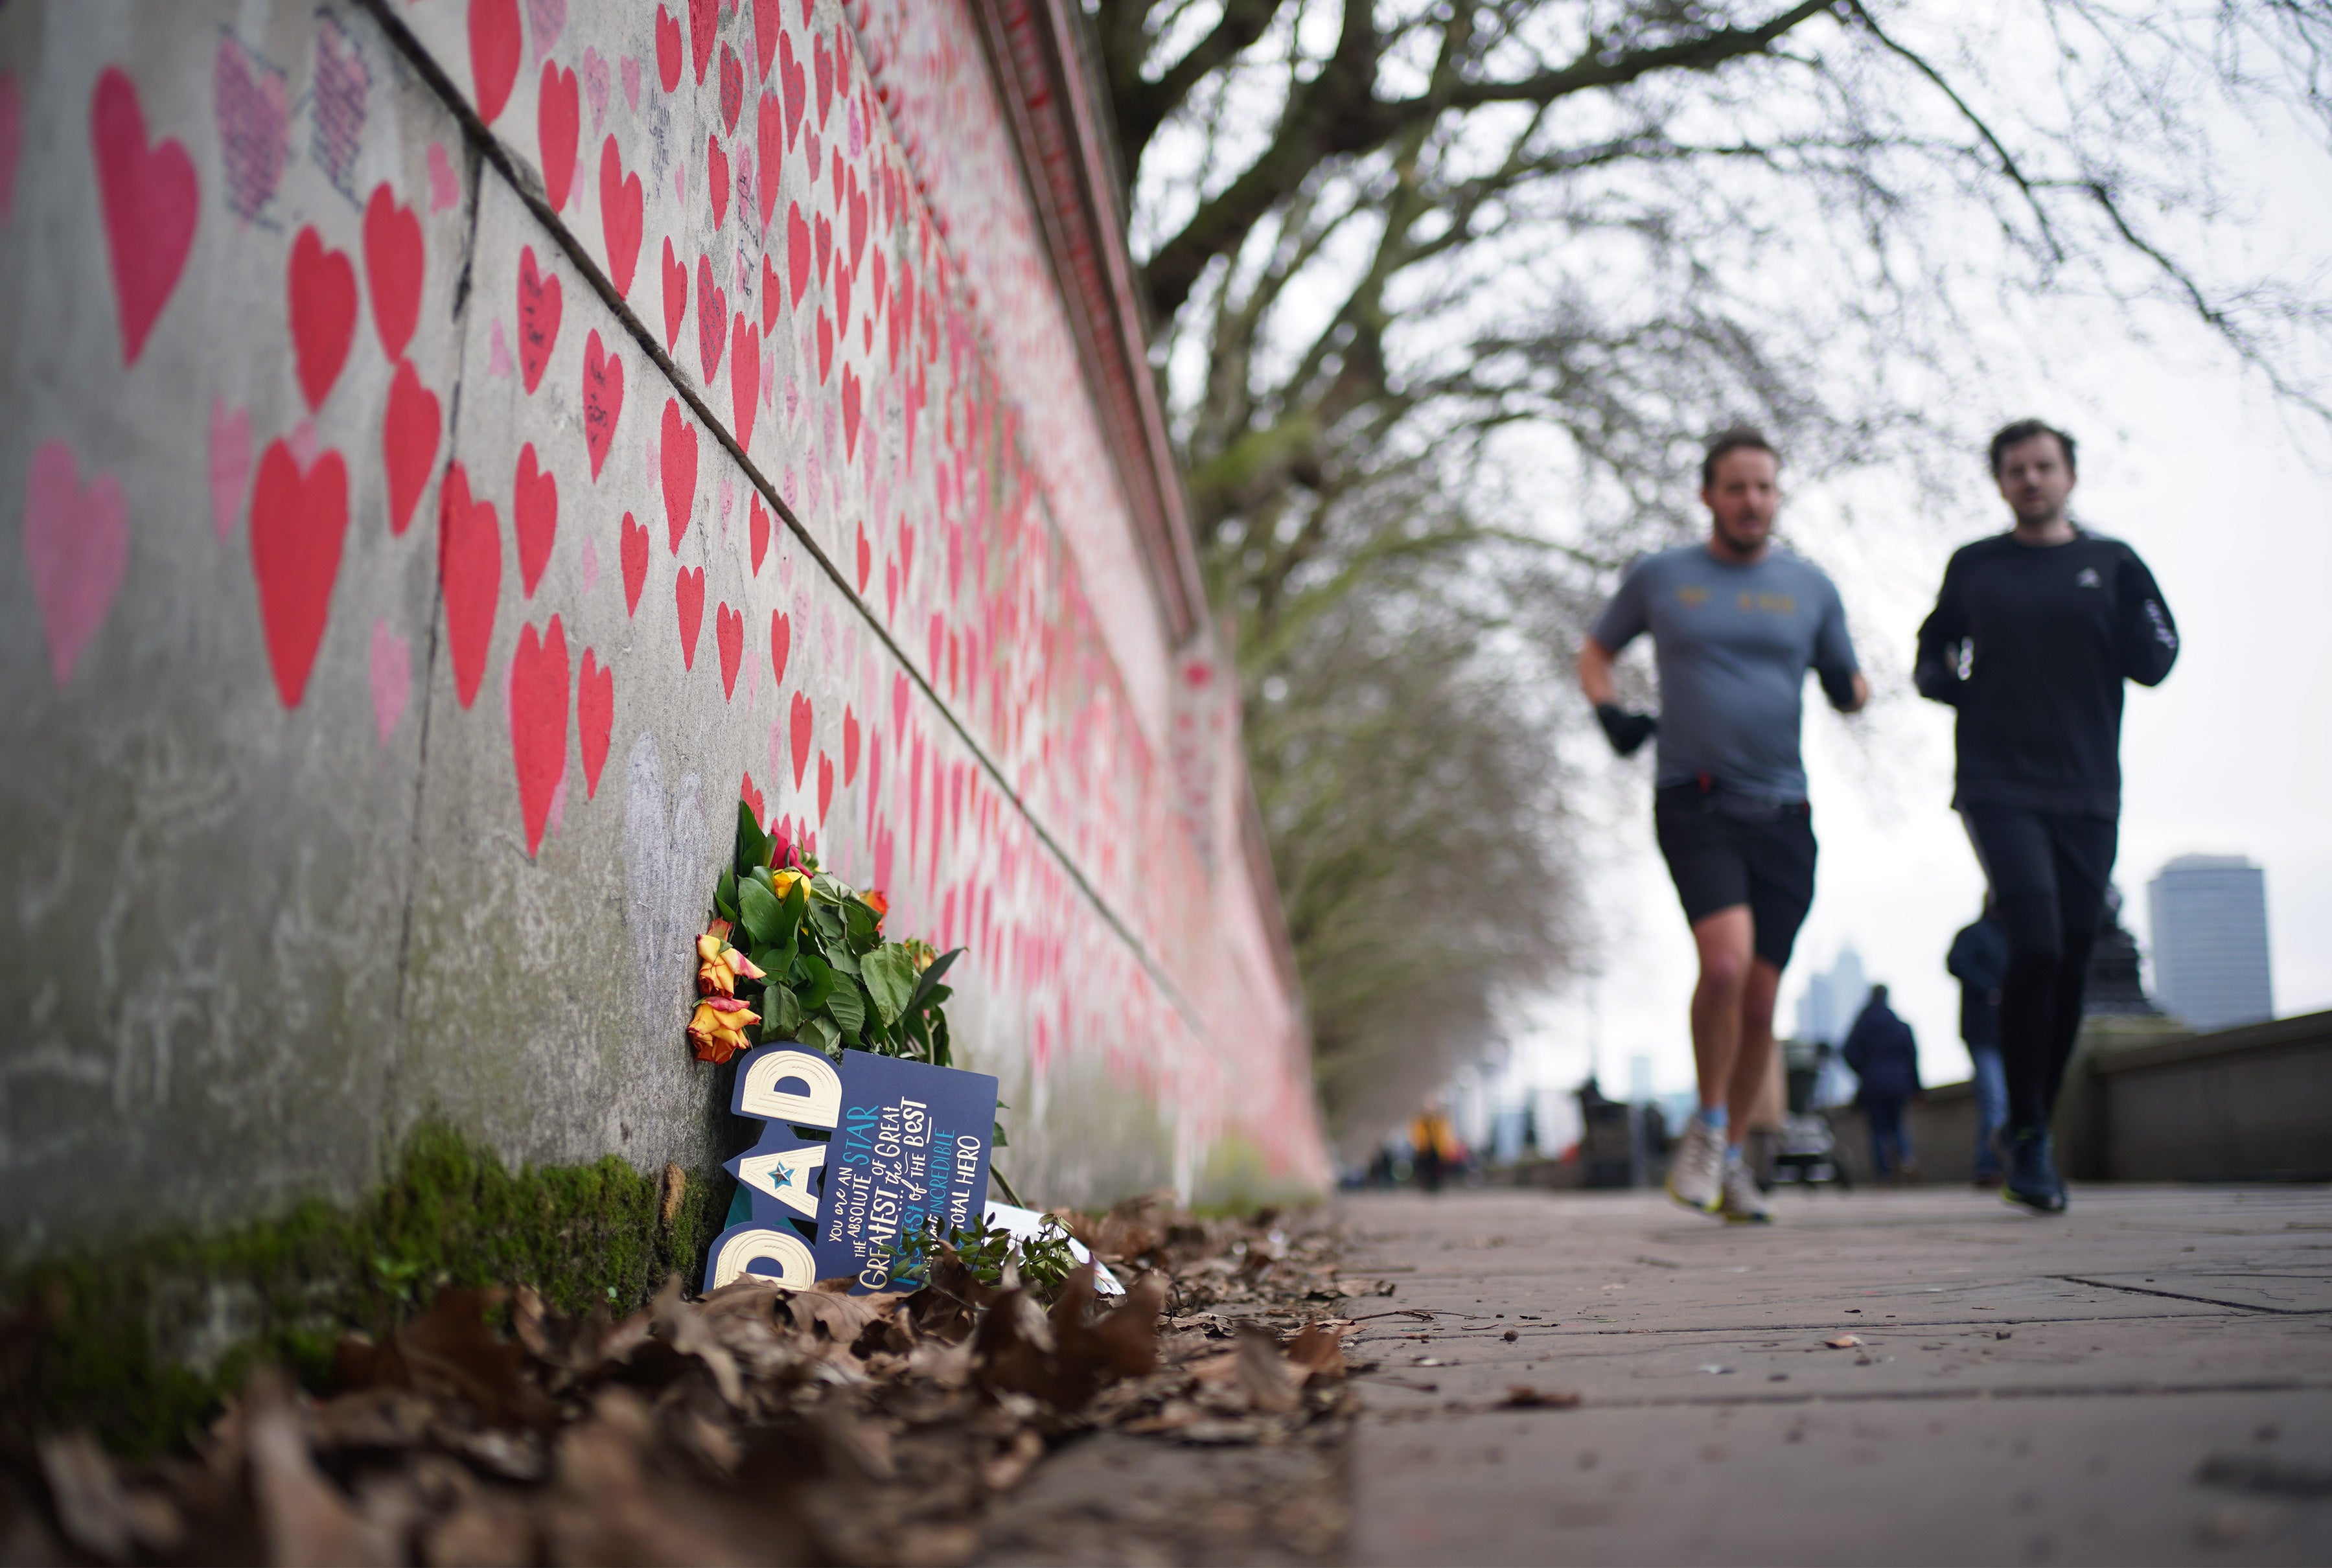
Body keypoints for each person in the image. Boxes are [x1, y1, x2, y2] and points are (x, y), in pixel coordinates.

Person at [1580, 428, 1868, 1223]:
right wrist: (1610, 714)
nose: (1752, 502)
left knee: (1760, 1001)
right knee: (1726, 964)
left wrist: (1855, 689)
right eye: (1736, 487)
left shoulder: (1809, 587)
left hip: (1784, 810)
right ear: (1707, 494)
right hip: (1695, 798)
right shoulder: (1662, 576)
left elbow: (1848, 679)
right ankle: (1707, 1129)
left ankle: (1734, 1156)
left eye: (1765, 488)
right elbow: (1595, 653)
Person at [1914, 419, 2178, 1213]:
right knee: (2031, 936)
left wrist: (2138, 623)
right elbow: (1930, 655)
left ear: (2067, 475)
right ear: (1999, 483)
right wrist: (1963, 687)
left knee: (2068, 954)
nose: (2030, 479)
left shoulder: (2112, 562)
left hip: (2088, 789)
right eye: (2015, 470)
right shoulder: (1976, 565)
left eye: (2043, 466)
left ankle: (2029, 1125)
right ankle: (2028, 1134)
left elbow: (2157, 659)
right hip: (1997, 781)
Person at [1948, 903, 2011, 1186]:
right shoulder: (1974, 934)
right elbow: (1955, 963)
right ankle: (1989, 1166)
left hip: (2013, 1032)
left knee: (2009, 1102)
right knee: (1995, 1101)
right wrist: (1991, 989)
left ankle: (2007, 1163)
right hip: (1984, 1031)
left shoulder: (2016, 935)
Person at [1841, 984, 1922, 1182]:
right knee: (1897, 1126)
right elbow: (1912, 1057)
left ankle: (1884, 1174)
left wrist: (1864, 1070)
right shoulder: (1899, 1024)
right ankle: (1906, 1158)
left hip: (1873, 1084)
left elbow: (1846, 1051)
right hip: (1899, 1083)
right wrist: (1916, 1086)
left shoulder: (1863, 1024)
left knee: (1877, 1130)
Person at [1409, 1098, 1459, 1193]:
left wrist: (1449, 1147)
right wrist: (1418, 1144)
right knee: (1425, 1169)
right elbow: (1416, 1134)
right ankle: (1427, 1187)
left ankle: (1436, 1186)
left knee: (1438, 1169)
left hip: (1438, 1149)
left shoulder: (1441, 1121)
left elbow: (1446, 1134)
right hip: (1424, 1149)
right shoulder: (1421, 1121)